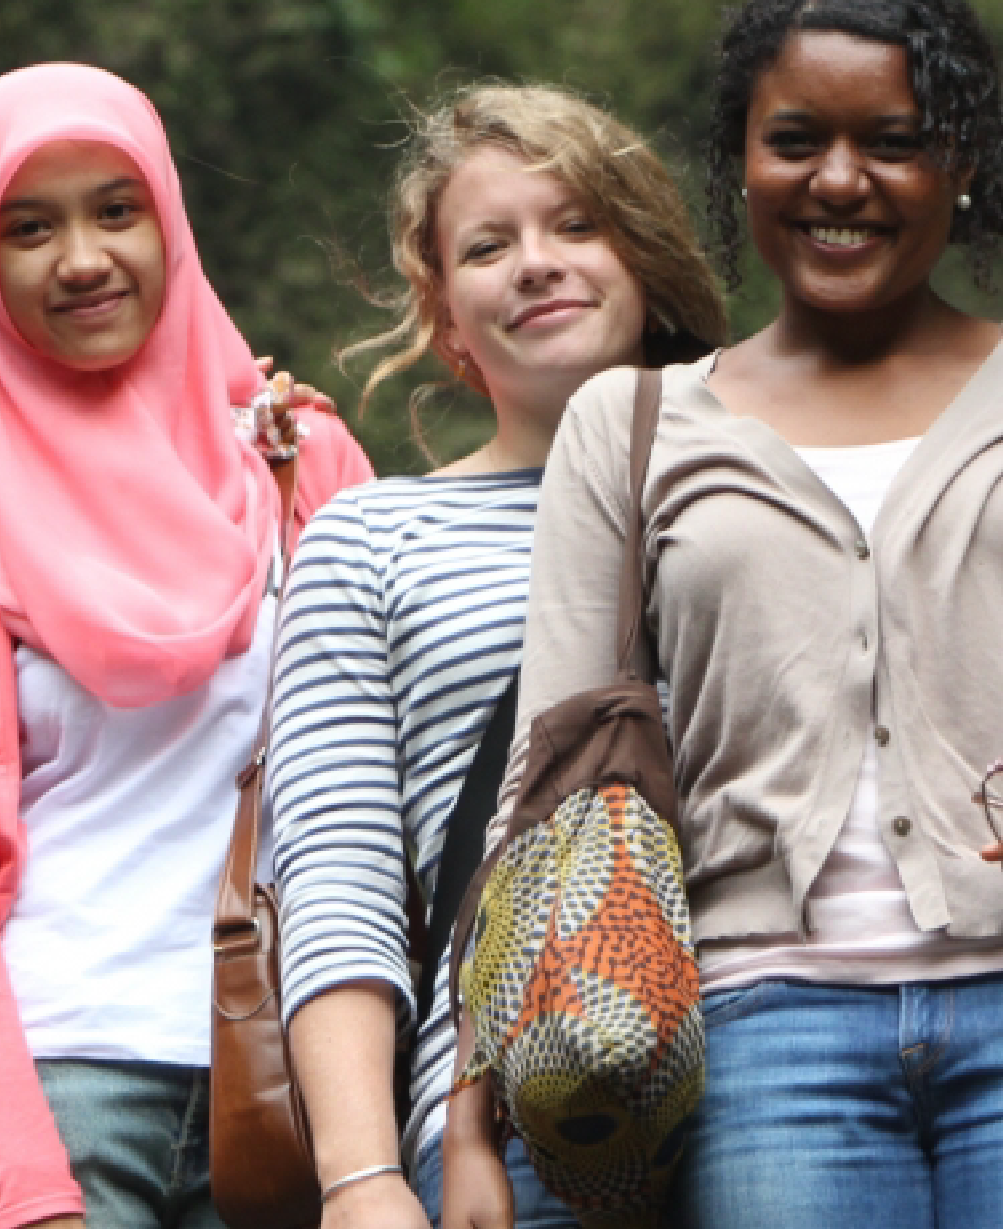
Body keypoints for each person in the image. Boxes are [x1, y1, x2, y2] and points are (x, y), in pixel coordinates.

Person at [447, 0, 1003, 1228]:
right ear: (739, 162)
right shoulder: (632, 423)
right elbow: (551, 785)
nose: (840, 181)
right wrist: (470, 1109)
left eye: (895, 142)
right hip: (764, 1033)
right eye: (794, 140)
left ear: (961, 162)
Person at [0, 62, 374, 1229]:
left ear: (169, 221)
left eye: (115, 207)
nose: (82, 258)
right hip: (66, 1084)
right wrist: (25, 1181)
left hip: (299, 1071)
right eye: (28, 228)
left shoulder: (305, 469)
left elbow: (377, 791)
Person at [265, 82, 727, 1230]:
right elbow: (338, 876)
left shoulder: (756, 497)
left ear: (644, 250)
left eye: (575, 223)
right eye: (487, 244)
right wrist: (359, 1173)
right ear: (440, 304)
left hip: (773, 1085)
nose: (535, 262)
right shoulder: (371, 539)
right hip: (516, 1122)